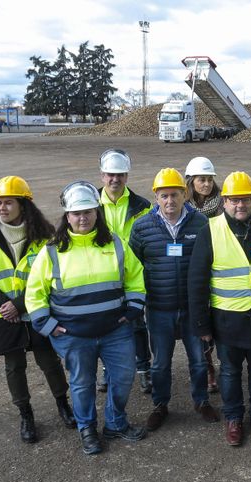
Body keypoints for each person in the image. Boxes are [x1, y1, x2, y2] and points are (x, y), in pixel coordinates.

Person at [25, 181, 147, 455]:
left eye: (88, 212)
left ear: (96, 213)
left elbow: (136, 278)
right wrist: (48, 325)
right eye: (77, 213)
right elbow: (34, 293)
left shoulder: (116, 244)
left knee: (123, 378)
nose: (83, 218)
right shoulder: (52, 251)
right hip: (74, 336)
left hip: (116, 331)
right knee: (82, 384)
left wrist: (133, 309)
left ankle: (115, 423)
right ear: (67, 216)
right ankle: (87, 429)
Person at [0, 176, 75, 444]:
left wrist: (18, 304)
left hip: (37, 309)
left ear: (23, 204)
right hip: (4, 315)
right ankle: (26, 415)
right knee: (14, 367)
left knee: (49, 361)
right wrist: (3, 305)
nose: (2, 208)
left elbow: (51, 274)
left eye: (8, 202)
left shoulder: (44, 237)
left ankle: (63, 404)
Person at [188, 171, 251, 446]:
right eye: (234, 200)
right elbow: (197, 281)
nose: (240, 205)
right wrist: (202, 325)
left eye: (245, 199)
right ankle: (233, 418)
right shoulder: (210, 230)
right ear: (225, 202)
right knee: (230, 372)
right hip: (227, 318)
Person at [129, 168, 219, 432]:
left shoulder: (200, 224)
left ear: (184, 194)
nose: (170, 201)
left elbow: (210, 262)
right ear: (156, 197)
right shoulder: (142, 227)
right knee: (160, 364)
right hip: (159, 309)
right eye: (164, 195)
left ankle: (201, 401)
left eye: (175, 195)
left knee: (199, 361)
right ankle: (160, 405)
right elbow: (133, 267)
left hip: (192, 309)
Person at [97, 149, 153, 394]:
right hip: (102, 276)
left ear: (127, 176)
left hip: (133, 275)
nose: (115, 179)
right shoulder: (90, 204)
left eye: (120, 174)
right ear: (102, 175)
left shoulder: (142, 206)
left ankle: (143, 369)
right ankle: (107, 371)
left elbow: (149, 240)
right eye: (110, 174)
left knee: (137, 324)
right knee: (105, 326)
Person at [185, 156, 222, 393]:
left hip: (218, 267)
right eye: (202, 179)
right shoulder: (183, 207)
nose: (207, 184)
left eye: (209, 179)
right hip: (194, 269)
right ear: (191, 181)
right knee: (200, 322)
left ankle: (224, 364)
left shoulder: (222, 204)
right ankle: (208, 368)